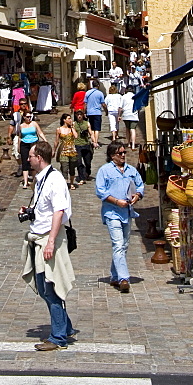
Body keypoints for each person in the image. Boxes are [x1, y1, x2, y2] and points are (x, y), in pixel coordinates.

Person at [21, 140, 75, 351]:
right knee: (44, 288)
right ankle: (65, 327)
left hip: (48, 239)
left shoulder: (55, 179)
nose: (28, 158)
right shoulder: (41, 179)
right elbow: (45, 209)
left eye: (31, 156)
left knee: (51, 287)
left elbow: (59, 212)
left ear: (39, 158)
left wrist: (51, 242)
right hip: (38, 236)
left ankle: (58, 337)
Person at [95, 140, 144, 293]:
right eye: (120, 153)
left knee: (124, 245)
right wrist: (116, 201)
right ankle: (124, 278)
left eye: (124, 153)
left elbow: (140, 184)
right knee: (118, 244)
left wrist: (137, 195)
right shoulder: (105, 170)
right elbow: (100, 191)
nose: (123, 155)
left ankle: (115, 275)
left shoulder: (130, 170)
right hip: (112, 212)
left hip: (127, 212)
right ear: (112, 155)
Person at [17, 112, 46, 188]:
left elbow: (40, 133)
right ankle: (25, 182)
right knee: (25, 161)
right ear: (24, 117)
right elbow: (20, 137)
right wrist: (18, 146)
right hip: (24, 144)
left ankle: (34, 179)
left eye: (30, 117)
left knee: (34, 160)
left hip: (33, 143)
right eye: (27, 117)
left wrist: (45, 140)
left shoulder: (34, 124)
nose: (29, 118)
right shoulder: (21, 126)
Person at [54, 113, 79, 190]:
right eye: (68, 118)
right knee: (64, 168)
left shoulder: (72, 128)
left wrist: (72, 127)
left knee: (72, 168)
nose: (70, 120)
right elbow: (56, 141)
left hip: (72, 150)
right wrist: (54, 151)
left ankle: (71, 183)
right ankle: (65, 183)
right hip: (63, 151)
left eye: (70, 118)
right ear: (64, 120)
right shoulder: (59, 129)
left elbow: (76, 136)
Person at [83, 79, 105, 149]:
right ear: (98, 85)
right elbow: (103, 104)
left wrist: (84, 112)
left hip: (90, 112)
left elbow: (85, 104)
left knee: (91, 128)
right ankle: (96, 142)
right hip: (97, 112)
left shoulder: (87, 93)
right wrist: (106, 111)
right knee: (97, 129)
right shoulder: (100, 93)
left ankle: (93, 141)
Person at [73, 110, 93, 183]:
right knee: (79, 162)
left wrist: (94, 141)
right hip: (77, 145)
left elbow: (91, 133)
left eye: (80, 114)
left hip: (86, 144)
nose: (79, 116)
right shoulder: (74, 124)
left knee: (88, 162)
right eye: (78, 115)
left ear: (83, 115)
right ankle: (81, 177)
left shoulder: (87, 123)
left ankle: (87, 172)